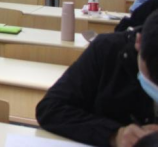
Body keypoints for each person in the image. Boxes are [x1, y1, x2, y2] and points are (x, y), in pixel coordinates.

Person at [37, 10, 158, 148]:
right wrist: (114, 134)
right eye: (153, 79)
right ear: (139, 42)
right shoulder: (107, 49)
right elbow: (50, 108)